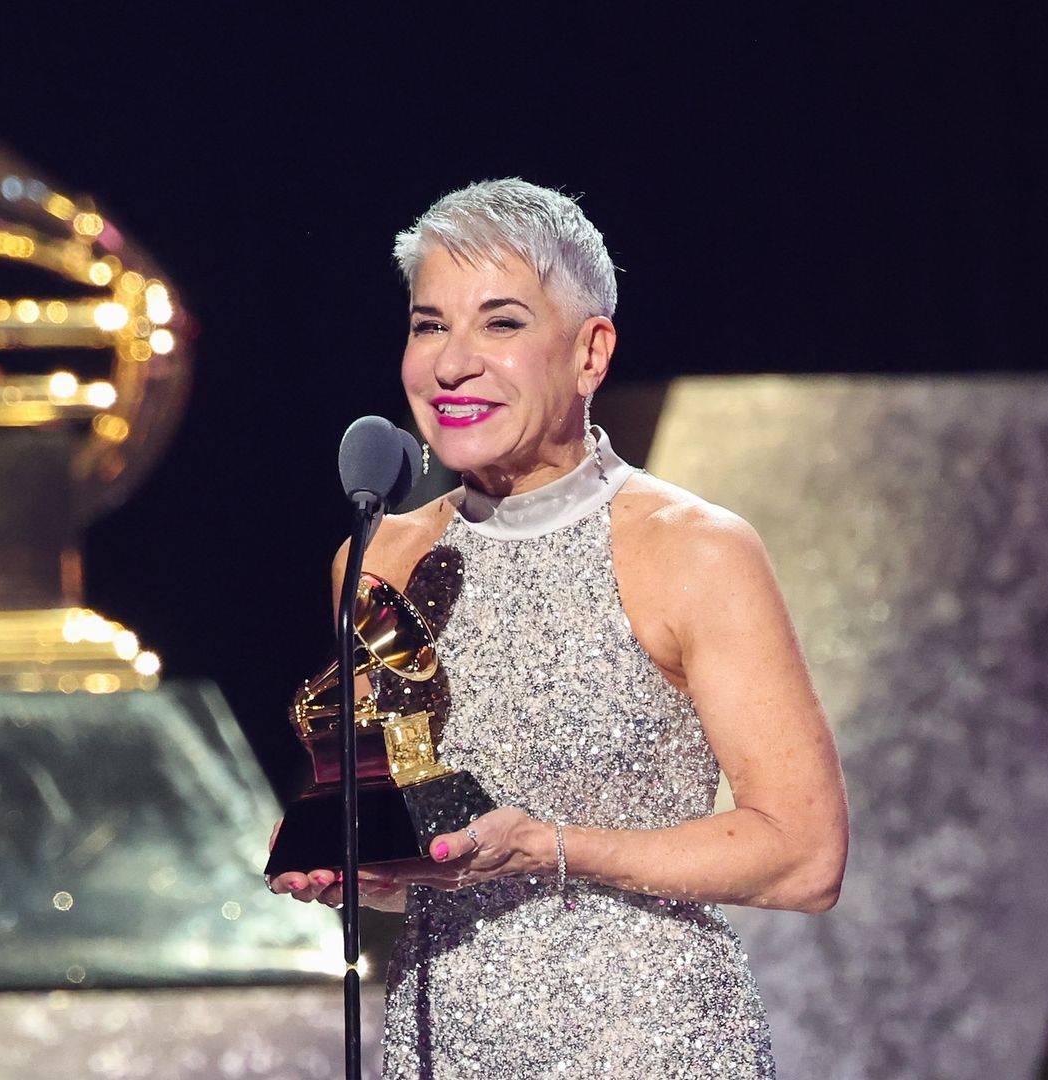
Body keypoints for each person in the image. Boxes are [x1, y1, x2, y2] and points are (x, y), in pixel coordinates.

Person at [268, 178, 849, 1079]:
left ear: (589, 352)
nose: (451, 364)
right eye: (429, 325)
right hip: (442, 1043)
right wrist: (379, 875)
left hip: (649, 1045)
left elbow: (804, 854)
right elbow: (433, 840)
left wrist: (551, 849)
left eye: (501, 323)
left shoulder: (694, 551)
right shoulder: (379, 562)